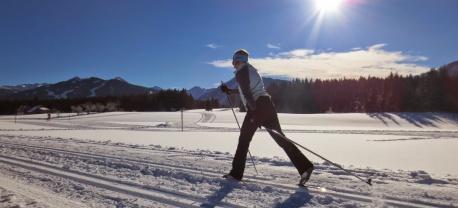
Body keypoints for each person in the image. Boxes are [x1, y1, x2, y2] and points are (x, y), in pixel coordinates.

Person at [220, 49, 314, 185]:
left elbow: (247, 93)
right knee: (281, 139)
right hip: (268, 105)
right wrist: (230, 91)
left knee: (244, 140)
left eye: (233, 61)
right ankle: (305, 167)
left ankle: (236, 174)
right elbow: (246, 89)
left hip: (257, 107)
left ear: (237, 60)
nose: (232, 63)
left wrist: (253, 112)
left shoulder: (241, 72)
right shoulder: (251, 70)